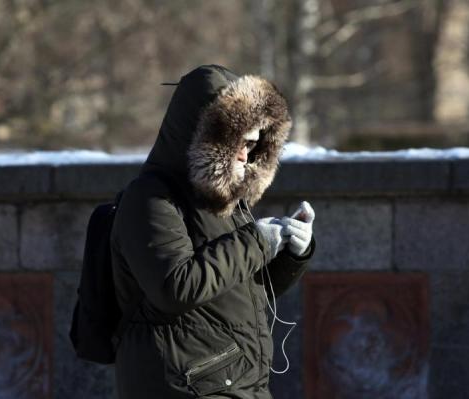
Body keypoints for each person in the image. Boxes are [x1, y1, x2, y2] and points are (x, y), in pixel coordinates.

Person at [110, 64, 316, 398]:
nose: (244, 154)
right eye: (236, 141)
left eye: (251, 144)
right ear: (205, 136)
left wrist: (292, 252)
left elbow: (241, 291)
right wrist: (256, 242)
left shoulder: (226, 202)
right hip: (185, 384)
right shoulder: (150, 198)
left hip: (233, 381)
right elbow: (176, 286)